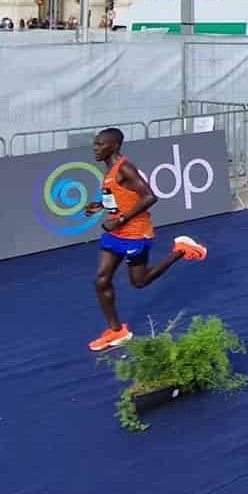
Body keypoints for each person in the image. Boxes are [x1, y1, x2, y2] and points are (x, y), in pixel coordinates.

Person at [83, 127, 207, 352]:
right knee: (101, 280)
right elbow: (121, 196)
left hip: (135, 234)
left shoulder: (125, 168)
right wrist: (99, 205)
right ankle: (117, 331)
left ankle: (181, 250)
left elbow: (150, 196)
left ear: (115, 146)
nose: (96, 148)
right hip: (115, 234)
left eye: (101, 144)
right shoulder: (109, 169)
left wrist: (120, 219)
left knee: (139, 282)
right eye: (95, 144)